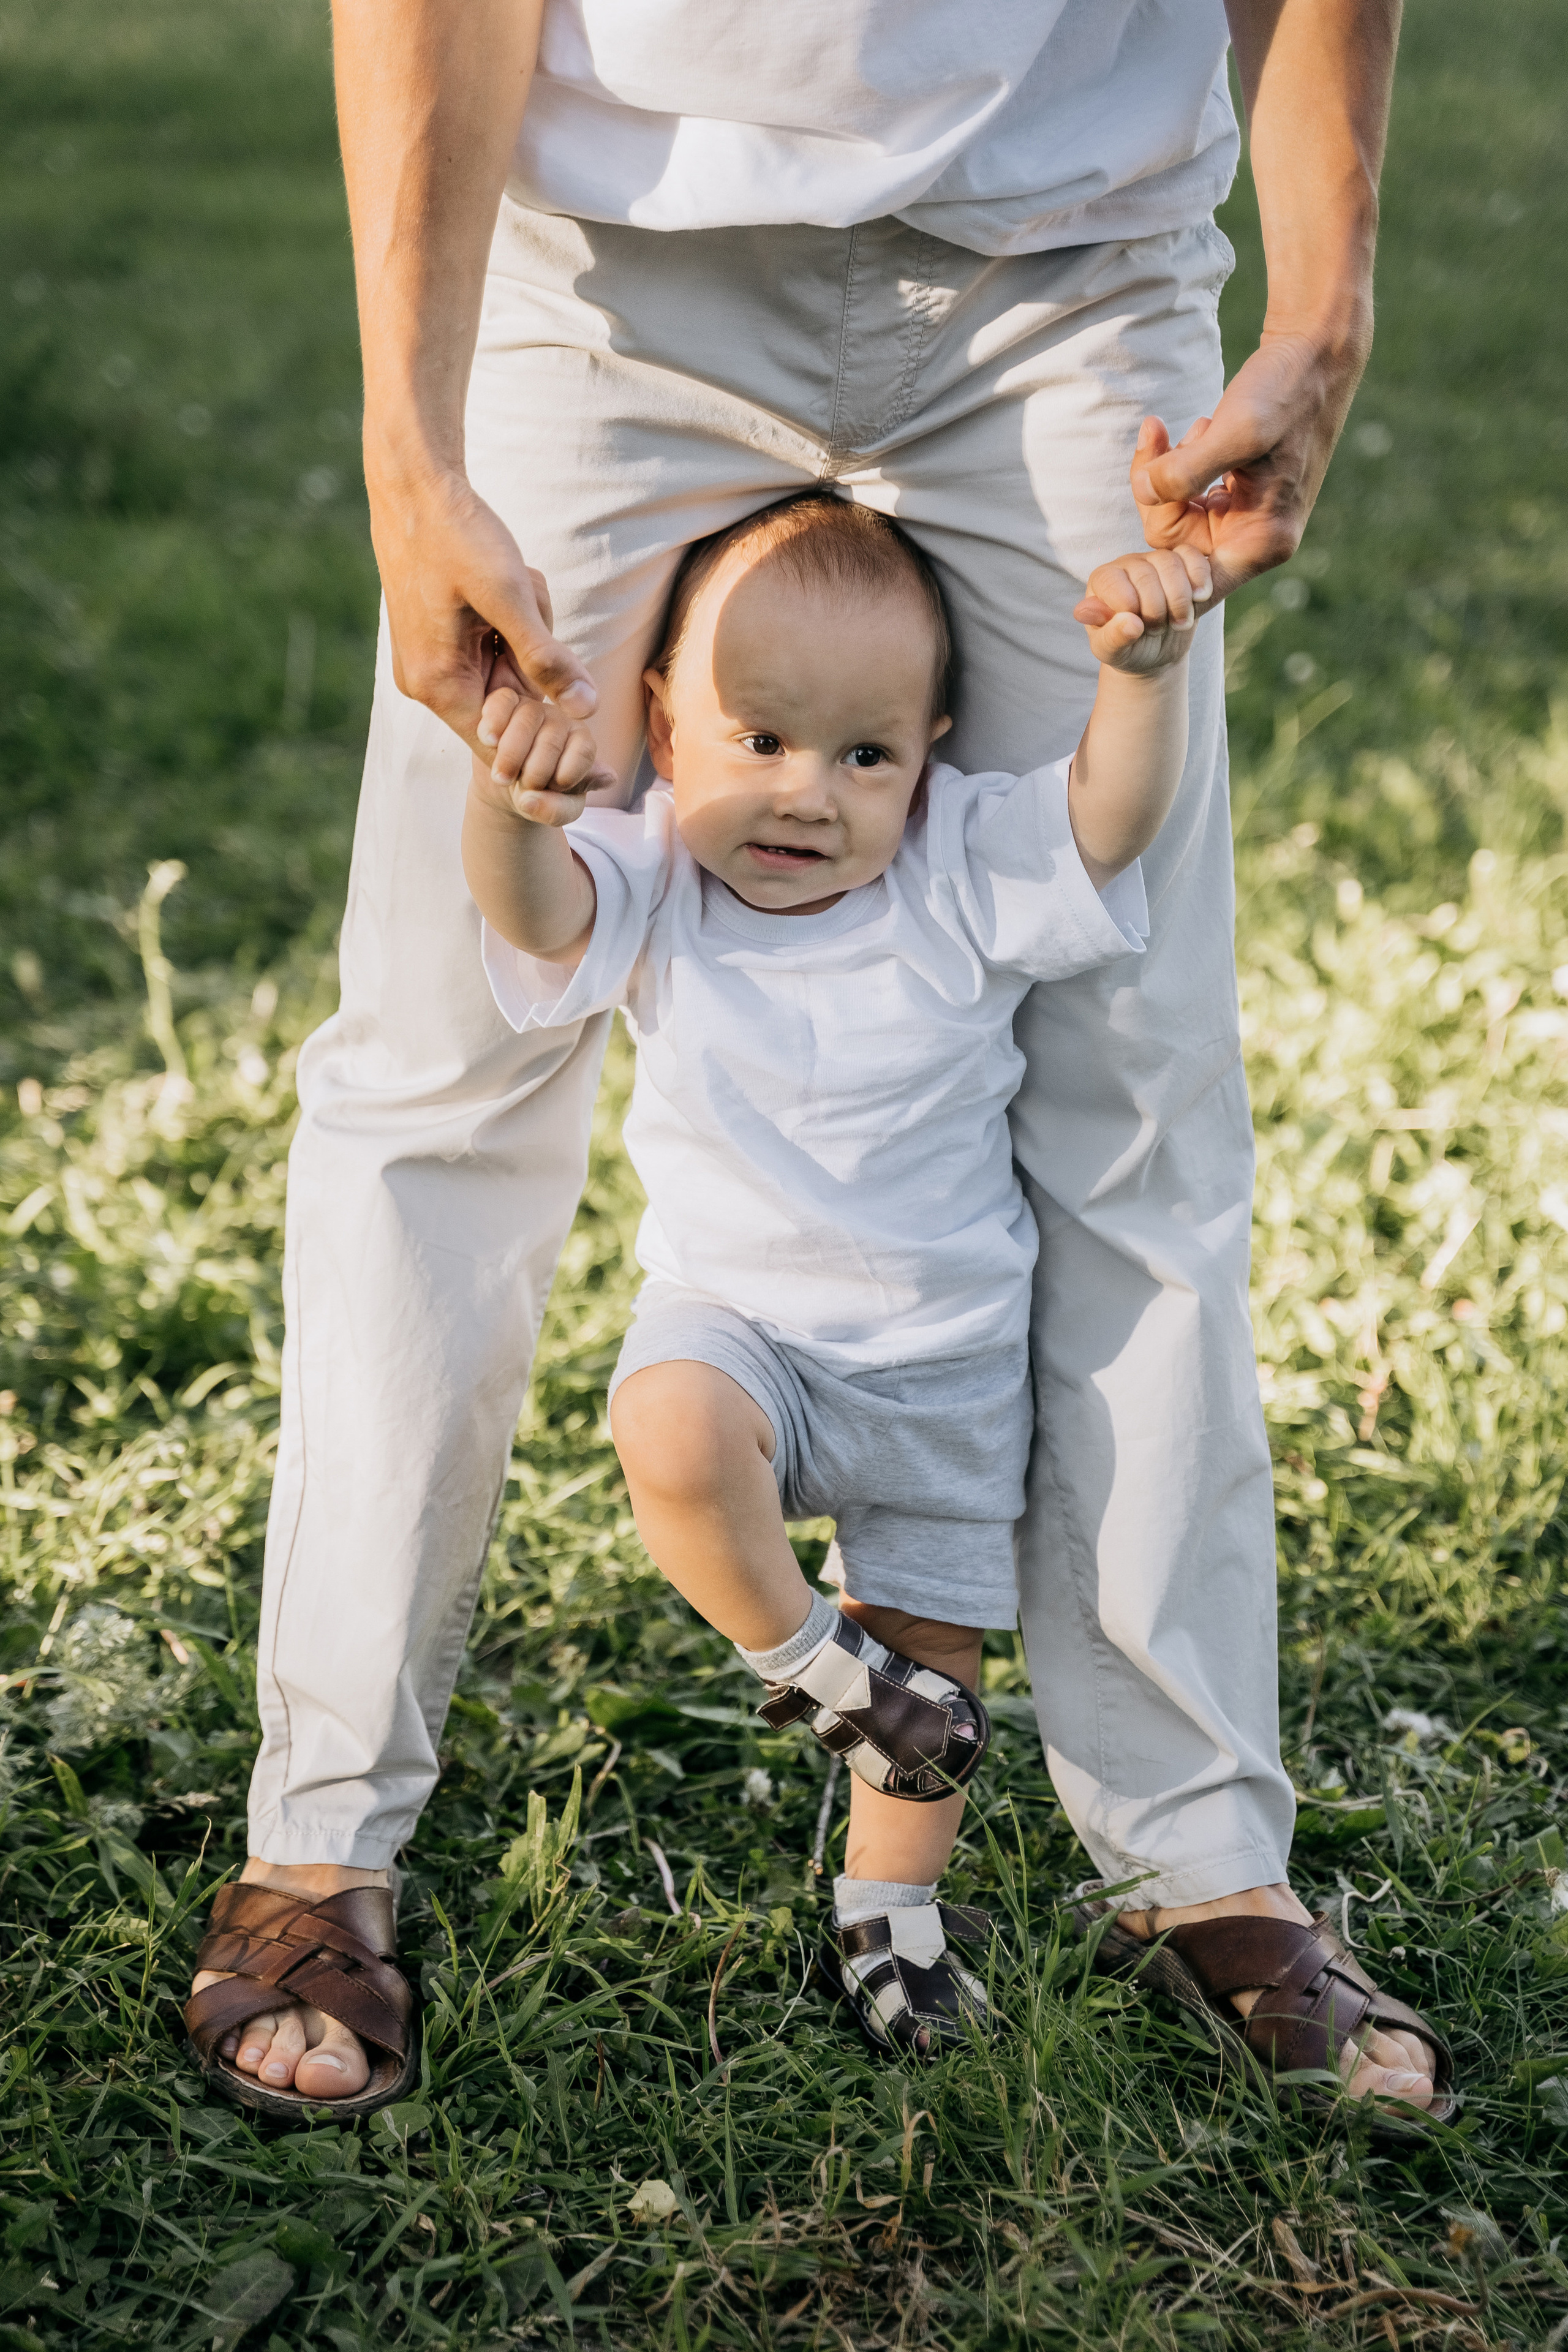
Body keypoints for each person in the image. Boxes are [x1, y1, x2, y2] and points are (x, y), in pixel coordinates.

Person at [186, 0, 1453, 2119]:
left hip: (1071, 264)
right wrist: (412, 442)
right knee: (438, 1062)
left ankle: (1206, 1855)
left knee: (1132, 1079)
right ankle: (323, 1839)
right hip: (605, 259)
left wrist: (1322, 303)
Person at [466, 486, 1204, 2054]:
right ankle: (803, 1660)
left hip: (939, 1354)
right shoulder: (657, 870)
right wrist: (509, 808)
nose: (807, 794)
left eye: (864, 754)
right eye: (761, 740)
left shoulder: (951, 867)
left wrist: (1139, 678)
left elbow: (1105, 820)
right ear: (665, 729)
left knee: (934, 1659)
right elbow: (534, 920)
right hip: (740, 1326)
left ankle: (891, 1917)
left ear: (928, 750)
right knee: (662, 1428)